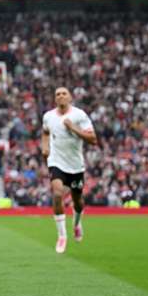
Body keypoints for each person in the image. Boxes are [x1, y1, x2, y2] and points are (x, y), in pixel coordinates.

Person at [41, 87, 98, 254]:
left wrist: (73, 128)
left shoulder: (79, 115)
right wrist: (45, 148)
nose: (60, 96)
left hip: (75, 165)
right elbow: (45, 132)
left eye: (64, 93)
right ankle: (62, 235)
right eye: (57, 94)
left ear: (70, 97)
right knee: (57, 193)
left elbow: (93, 139)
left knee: (78, 201)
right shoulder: (48, 116)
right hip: (56, 162)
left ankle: (77, 223)